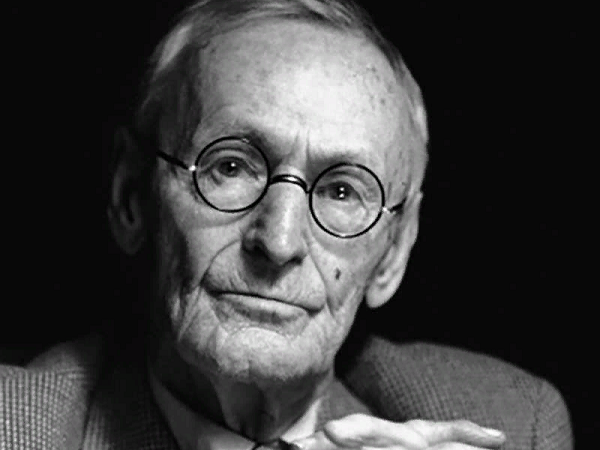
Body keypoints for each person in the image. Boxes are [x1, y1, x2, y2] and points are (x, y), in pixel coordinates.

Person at [1, 1, 572, 449]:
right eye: (231, 167)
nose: (277, 242)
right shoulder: (19, 425)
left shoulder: (512, 421)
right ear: (132, 196)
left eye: (342, 191)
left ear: (395, 249)